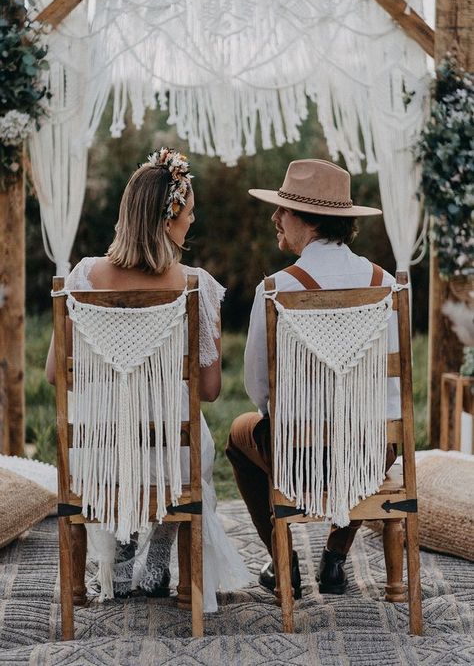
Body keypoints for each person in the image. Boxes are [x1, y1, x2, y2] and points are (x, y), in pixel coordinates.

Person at [46, 147, 250, 612]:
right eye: (189, 213)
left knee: (126, 429)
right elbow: (212, 391)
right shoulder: (197, 285)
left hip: (97, 451)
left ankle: (122, 544)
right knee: (183, 439)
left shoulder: (80, 278)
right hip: (169, 453)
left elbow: (56, 374)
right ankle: (158, 553)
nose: (192, 222)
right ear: (168, 219)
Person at [226, 158, 400, 598]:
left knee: (237, 434)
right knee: (369, 429)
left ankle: (282, 562)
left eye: (283, 209)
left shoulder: (277, 288)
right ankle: (336, 557)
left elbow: (257, 388)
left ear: (309, 220)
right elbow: (392, 392)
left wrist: (295, 421)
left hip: (297, 457)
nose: (274, 217)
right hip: (371, 454)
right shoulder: (386, 285)